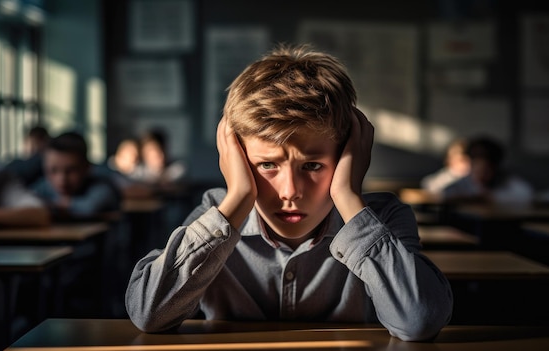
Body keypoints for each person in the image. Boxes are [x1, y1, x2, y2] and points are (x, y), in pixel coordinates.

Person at [125, 44, 453, 341]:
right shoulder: (218, 212)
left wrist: (349, 198)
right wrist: (237, 198)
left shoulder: (382, 218)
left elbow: (419, 320)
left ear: (347, 159)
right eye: (267, 166)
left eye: (312, 166)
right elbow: (149, 314)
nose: (291, 192)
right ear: (235, 159)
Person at [31, 131, 121, 221]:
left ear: (87, 167)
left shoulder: (103, 188)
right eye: (53, 171)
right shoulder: (43, 186)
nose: (62, 180)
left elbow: (90, 208)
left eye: (71, 171)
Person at [442, 135, 534, 205]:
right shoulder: (463, 183)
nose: (482, 173)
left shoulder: (508, 182)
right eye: (476, 165)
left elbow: (527, 196)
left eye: (487, 169)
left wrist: (490, 198)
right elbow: (447, 194)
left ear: (495, 166)